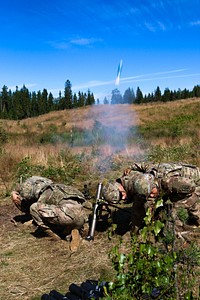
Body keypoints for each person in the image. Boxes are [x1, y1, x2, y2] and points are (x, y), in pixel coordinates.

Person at [102, 162, 200, 238]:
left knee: (178, 207)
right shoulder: (141, 179)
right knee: (146, 203)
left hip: (192, 181)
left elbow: (191, 188)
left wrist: (177, 201)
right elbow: (138, 206)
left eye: (121, 195)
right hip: (166, 185)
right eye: (120, 199)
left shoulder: (169, 181)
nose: (123, 198)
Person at [11, 176, 88, 251]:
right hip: (82, 217)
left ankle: (54, 235)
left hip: (67, 216)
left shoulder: (45, 194)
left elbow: (39, 213)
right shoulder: (61, 187)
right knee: (64, 212)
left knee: (34, 208)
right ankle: (73, 231)